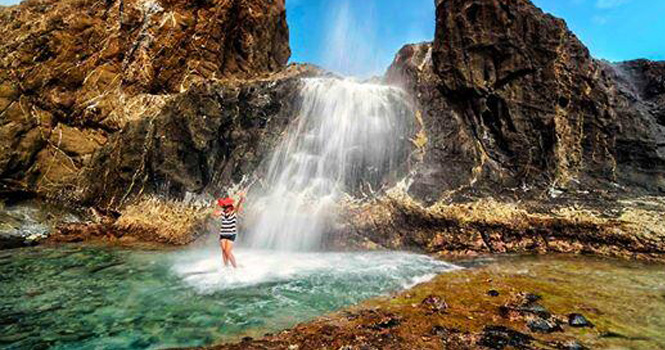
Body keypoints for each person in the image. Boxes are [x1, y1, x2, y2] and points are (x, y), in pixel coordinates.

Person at [213, 193, 245, 268]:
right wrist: (217, 205)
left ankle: (235, 267)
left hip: (231, 234)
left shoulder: (233, 213)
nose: (225, 208)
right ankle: (226, 266)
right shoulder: (223, 213)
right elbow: (214, 214)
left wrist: (241, 199)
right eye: (224, 207)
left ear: (230, 207)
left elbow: (237, 207)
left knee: (228, 251)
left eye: (227, 207)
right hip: (223, 234)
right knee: (223, 251)